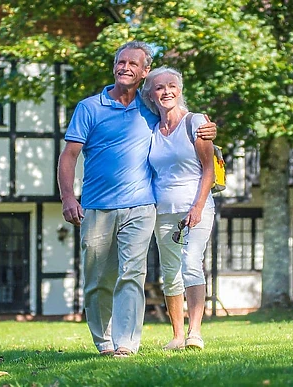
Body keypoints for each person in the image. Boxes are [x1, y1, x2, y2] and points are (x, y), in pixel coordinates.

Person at [57, 41, 216, 358]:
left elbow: (182, 115)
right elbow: (69, 155)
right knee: (98, 279)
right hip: (97, 206)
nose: (125, 67)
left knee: (133, 274)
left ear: (144, 72)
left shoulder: (149, 109)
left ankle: (127, 343)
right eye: (121, 62)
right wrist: (67, 198)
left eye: (133, 63)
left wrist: (208, 126)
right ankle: (103, 340)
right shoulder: (90, 108)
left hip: (142, 206)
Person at [141, 66, 215, 351]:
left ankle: (194, 332)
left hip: (195, 206)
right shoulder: (152, 130)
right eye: (159, 87)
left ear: (180, 89)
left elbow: (208, 169)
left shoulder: (195, 122)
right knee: (170, 272)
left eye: (171, 85)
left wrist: (197, 207)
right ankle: (176, 336)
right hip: (163, 209)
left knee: (191, 263)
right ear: (151, 94)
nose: (166, 91)